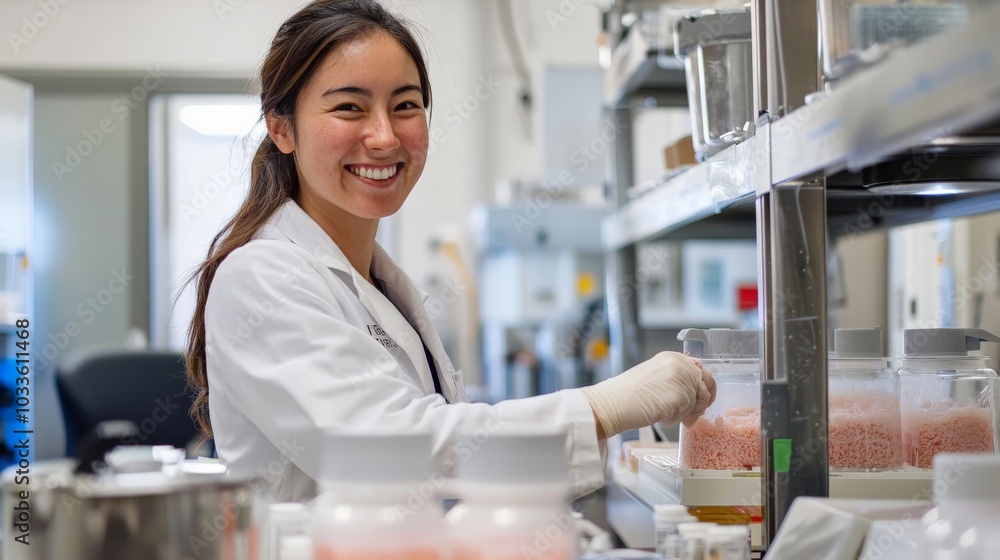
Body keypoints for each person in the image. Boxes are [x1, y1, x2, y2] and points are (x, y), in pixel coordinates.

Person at [185, 0, 716, 503]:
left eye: (406, 106)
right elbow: (379, 449)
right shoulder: (261, 276)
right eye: (349, 107)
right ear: (281, 128)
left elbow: (441, 452)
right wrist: (601, 407)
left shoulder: (381, 286)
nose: (384, 136)